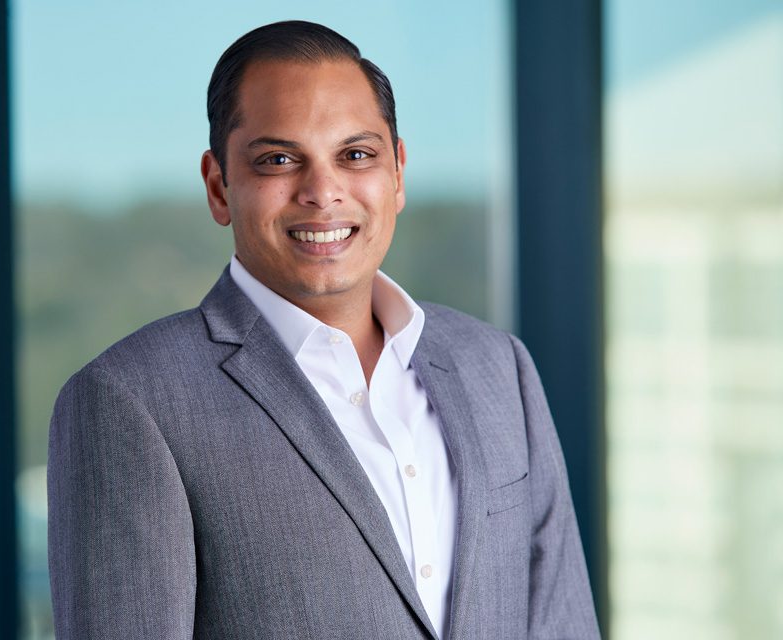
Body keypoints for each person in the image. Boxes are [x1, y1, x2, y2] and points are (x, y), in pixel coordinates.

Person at [48, 20, 600, 640]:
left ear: (397, 172)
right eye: (278, 160)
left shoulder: (499, 367)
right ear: (218, 186)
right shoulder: (129, 402)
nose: (323, 191)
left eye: (355, 155)